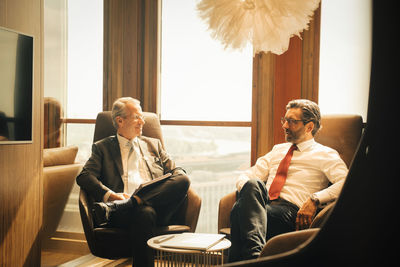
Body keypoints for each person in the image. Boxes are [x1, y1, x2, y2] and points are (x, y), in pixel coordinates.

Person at [229, 99, 348, 262]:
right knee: (251, 185)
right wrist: (250, 197)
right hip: (264, 205)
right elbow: (246, 176)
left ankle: (249, 258)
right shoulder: (277, 150)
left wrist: (315, 199)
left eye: (291, 121)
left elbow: (346, 183)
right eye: (284, 120)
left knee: (239, 211)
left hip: (291, 212)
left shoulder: (325, 154)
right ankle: (255, 257)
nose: (285, 126)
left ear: (309, 127)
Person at [76, 97, 190, 267]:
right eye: (137, 117)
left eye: (142, 117)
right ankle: (131, 204)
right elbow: (84, 176)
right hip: (123, 213)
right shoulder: (103, 148)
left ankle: (133, 202)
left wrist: (138, 199)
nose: (142, 121)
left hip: (160, 208)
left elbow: (177, 172)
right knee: (144, 213)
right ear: (120, 121)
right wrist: (111, 196)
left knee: (183, 178)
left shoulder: (154, 145)